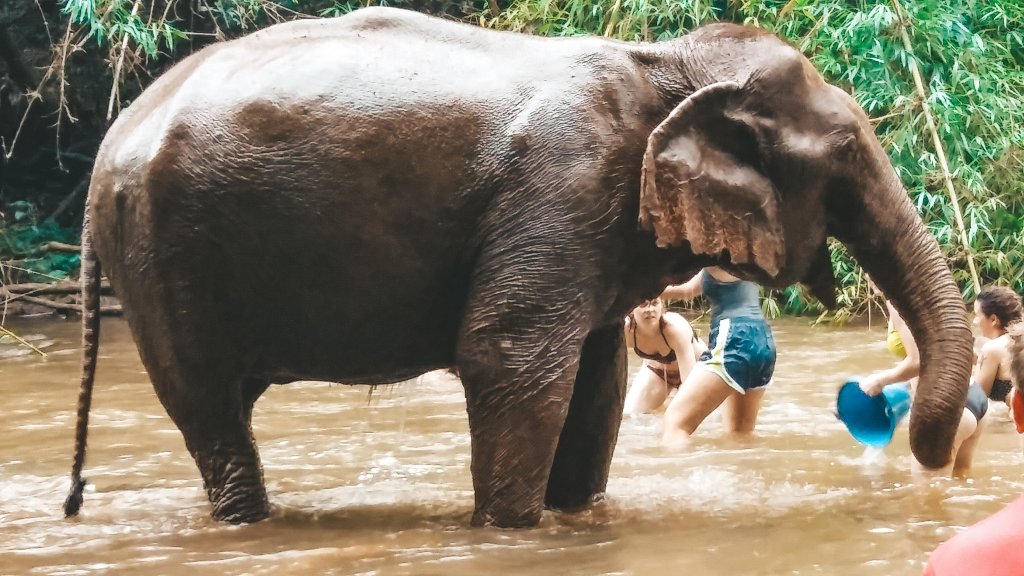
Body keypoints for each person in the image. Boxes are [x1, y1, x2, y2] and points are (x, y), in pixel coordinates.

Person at [859, 285, 1022, 475]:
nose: (975, 321)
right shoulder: (1017, 340)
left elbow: (979, 389)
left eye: (977, 315)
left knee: (927, 494)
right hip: (984, 413)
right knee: (961, 478)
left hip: (956, 406)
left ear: (993, 319)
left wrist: (881, 381)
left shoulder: (992, 349)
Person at [660, 267, 776, 446]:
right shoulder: (741, 254)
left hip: (735, 336)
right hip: (763, 340)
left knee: (675, 424)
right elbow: (686, 290)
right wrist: (636, 292)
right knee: (740, 433)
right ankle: (749, 473)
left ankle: (682, 473)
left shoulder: (719, 255)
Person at [623, 297, 707, 414]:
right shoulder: (626, 331)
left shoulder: (676, 328)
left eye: (654, 304)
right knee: (630, 414)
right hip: (658, 373)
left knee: (686, 413)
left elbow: (690, 382)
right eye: (643, 304)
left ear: (661, 306)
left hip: (698, 368)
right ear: (631, 309)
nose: (649, 309)